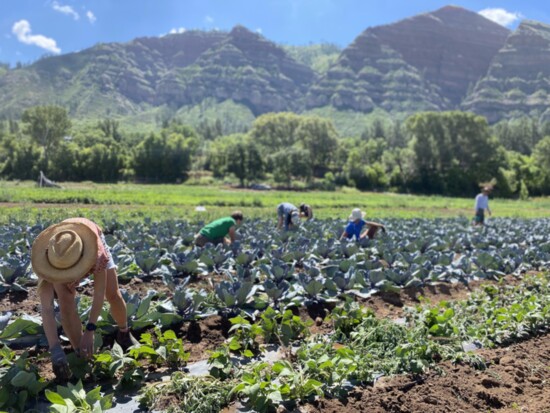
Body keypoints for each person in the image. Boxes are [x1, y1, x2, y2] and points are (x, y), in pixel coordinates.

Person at [31, 218, 137, 381]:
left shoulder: (97, 254)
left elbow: (99, 294)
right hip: (64, 255)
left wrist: (90, 330)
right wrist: (55, 349)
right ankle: (81, 354)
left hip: (90, 243)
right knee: (66, 304)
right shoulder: (51, 259)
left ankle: (124, 332)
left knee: (113, 294)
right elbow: (47, 308)